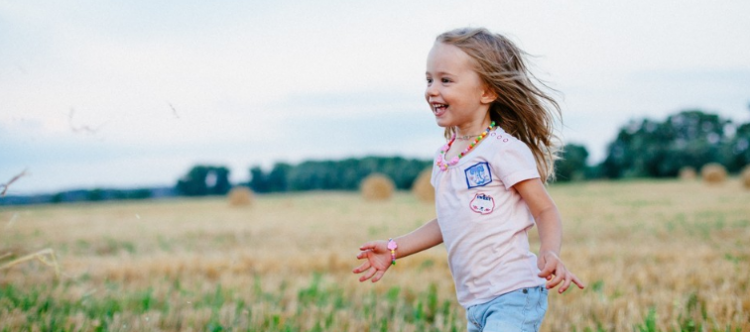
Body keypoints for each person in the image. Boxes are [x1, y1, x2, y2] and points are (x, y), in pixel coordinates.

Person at [352, 27, 585, 332]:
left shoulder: (503, 150)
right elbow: (447, 220)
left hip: (514, 295)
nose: (432, 89)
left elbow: (544, 210)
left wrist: (550, 251)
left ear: (487, 92)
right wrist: (395, 248)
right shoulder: (445, 156)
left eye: (445, 80)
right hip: (475, 304)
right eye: (429, 79)